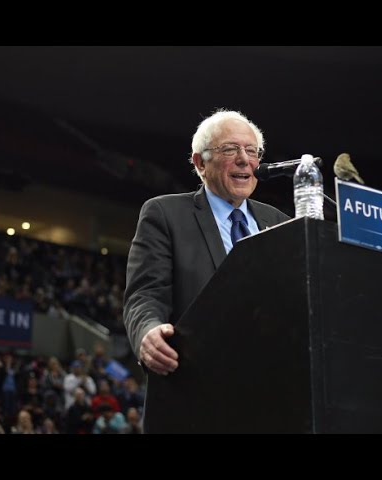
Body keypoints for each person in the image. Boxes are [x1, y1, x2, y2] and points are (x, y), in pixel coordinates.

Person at [123, 109, 289, 380]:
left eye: (252, 151)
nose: (244, 160)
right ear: (201, 163)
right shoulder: (165, 214)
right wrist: (147, 331)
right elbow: (145, 295)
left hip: (270, 380)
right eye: (230, 149)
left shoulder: (280, 222)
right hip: (196, 381)